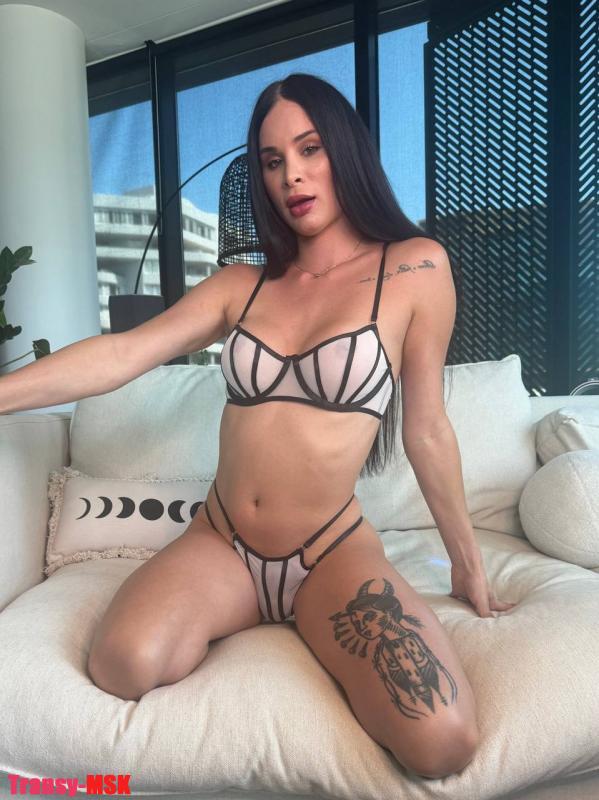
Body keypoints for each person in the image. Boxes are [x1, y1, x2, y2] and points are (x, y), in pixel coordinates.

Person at [83, 73, 514, 779]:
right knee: (122, 662)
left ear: (345, 151)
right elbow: (121, 354)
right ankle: (236, 609)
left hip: (329, 553)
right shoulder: (241, 284)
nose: (292, 175)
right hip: (222, 542)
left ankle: (296, 614)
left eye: (310, 149)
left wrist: (467, 564)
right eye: (272, 160)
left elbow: (427, 429)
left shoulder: (414, 266)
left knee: (442, 741)